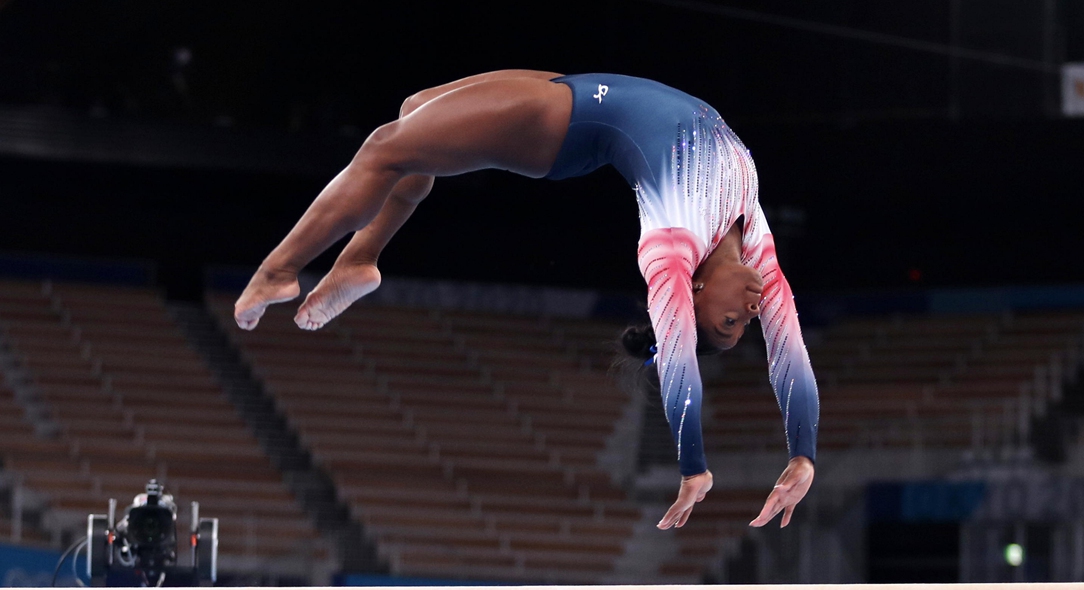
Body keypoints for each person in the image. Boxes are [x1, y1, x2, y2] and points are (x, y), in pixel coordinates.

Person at [233, 70, 819, 530]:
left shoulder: (671, 250)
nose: (750, 311)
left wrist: (694, 466)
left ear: (689, 291)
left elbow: (680, 359)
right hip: (582, 90)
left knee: (386, 148)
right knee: (415, 110)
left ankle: (280, 270)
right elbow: (789, 356)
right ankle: (359, 261)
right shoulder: (758, 249)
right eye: (744, 321)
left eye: (729, 322)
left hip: (564, 126)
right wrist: (802, 456)